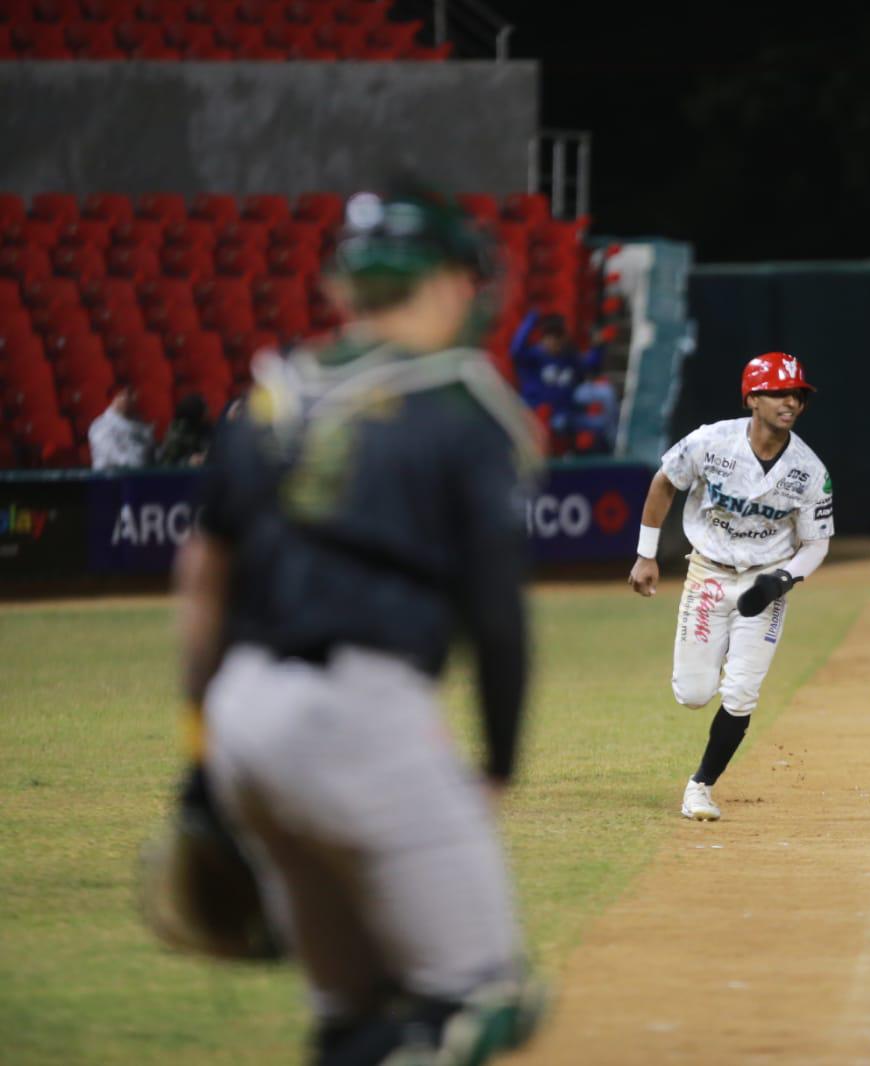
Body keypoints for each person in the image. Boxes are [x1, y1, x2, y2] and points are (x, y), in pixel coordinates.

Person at [172, 180, 545, 1064]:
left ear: (347, 284)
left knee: (354, 1015)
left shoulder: (270, 394)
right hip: (361, 720)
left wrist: (200, 765)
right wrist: (497, 762)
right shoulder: (464, 398)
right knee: (484, 1001)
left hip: (243, 725)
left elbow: (202, 584)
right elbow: (497, 612)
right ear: (456, 280)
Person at [627, 352, 835, 821]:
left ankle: (700, 786)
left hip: (765, 584)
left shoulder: (809, 470)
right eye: (779, 392)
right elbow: (665, 482)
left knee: (741, 692)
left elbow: (817, 544)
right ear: (752, 398)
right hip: (708, 573)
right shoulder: (711, 442)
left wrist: (782, 579)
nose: (791, 402)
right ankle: (715, 650)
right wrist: (646, 554)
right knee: (694, 694)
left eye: (797, 394)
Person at [509, 311, 603, 454]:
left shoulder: (569, 357)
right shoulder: (533, 358)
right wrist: (530, 321)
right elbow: (515, 351)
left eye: (558, 338)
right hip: (539, 417)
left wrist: (597, 346)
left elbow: (590, 366)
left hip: (567, 414)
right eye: (550, 339)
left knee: (598, 424)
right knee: (559, 424)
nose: (555, 343)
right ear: (543, 340)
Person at [88, 386, 154, 469]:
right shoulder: (101, 425)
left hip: (142, 476)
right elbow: (115, 456)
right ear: (116, 398)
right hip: (112, 478)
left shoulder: (141, 425)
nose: (134, 399)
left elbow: (150, 454)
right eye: (128, 395)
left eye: (134, 395)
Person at [155, 392, 213, 467]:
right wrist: (188, 462)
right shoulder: (178, 431)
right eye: (205, 407)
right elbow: (167, 463)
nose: (208, 410)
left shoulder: (207, 429)